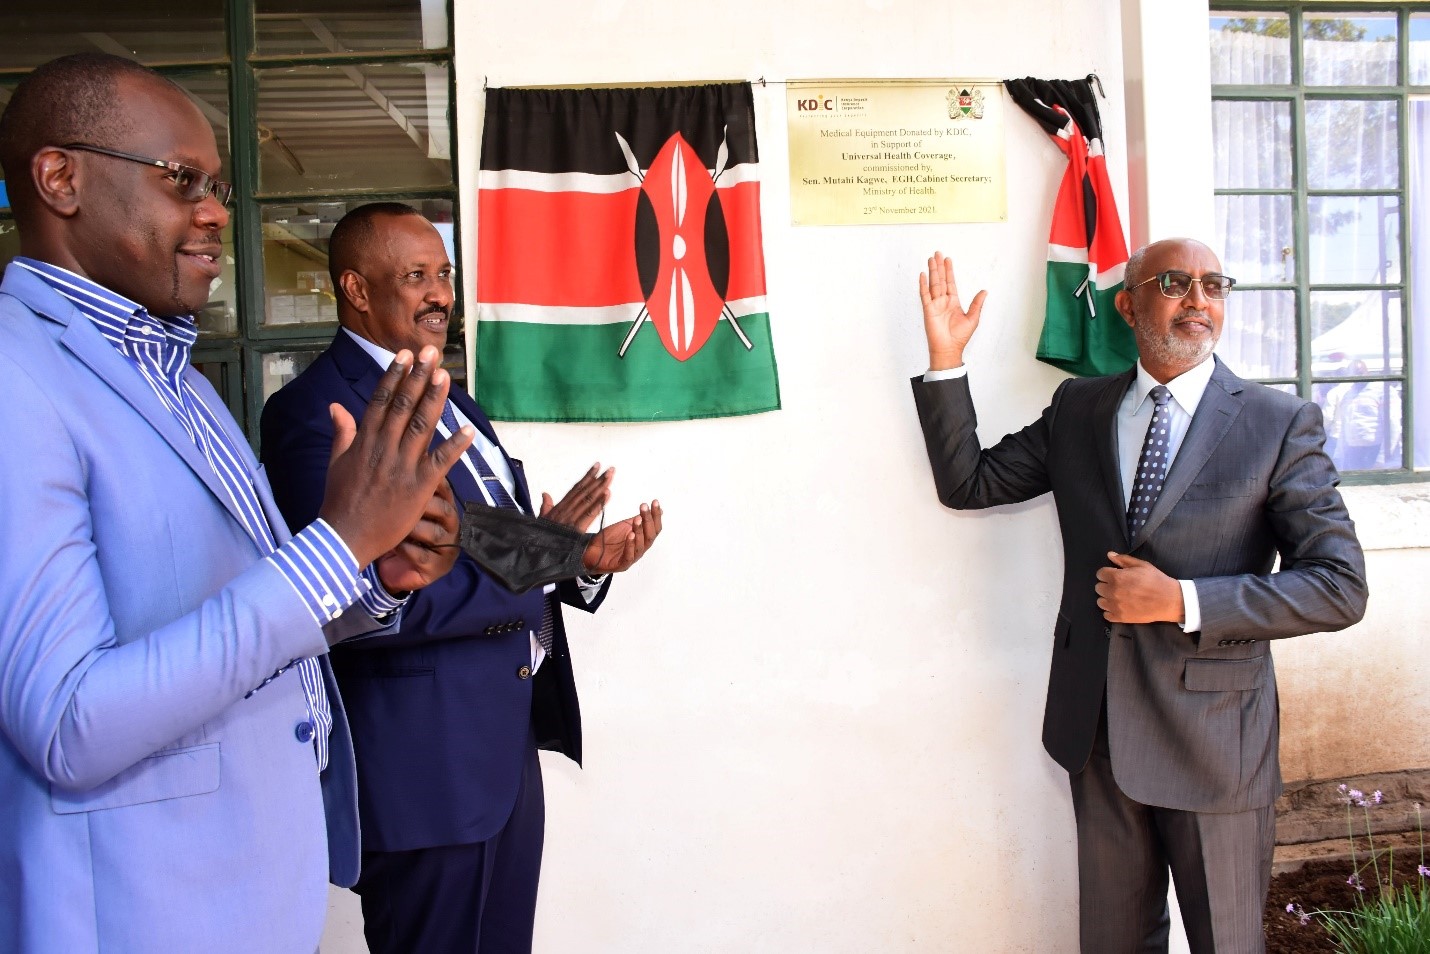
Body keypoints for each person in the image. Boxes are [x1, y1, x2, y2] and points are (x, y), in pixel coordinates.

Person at [0, 55, 475, 952]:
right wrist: (335, 549)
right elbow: (68, 720)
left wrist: (374, 578)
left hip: (254, 891)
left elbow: (242, 623)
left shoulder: (179, 377)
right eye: (182, 180)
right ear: (60, 178)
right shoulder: (17, 377)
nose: (216, 210)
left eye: (215, 185)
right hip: (147, 910)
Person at [909, 240, 1368, 953]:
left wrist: (1183, 600)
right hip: (1099, 733)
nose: (1198, 301)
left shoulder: (1277, 424)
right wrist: (946, 361)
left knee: (1227, 941)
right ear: (1128, 305)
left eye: (1214, 285)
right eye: (1176, 283)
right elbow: (970, 483)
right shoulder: (1080, 407)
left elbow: (1339, 587)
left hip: (1217, 744)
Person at [261, 202, 662, 954]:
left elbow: (479, 545)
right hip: (425, 772)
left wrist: (575, 558)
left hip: (500, 757)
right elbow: (361, 591)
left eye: (443, 273)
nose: (440, 293)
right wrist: (550, 563)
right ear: (356, 289)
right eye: (416, 276)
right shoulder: (316, 413)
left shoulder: (453, 397)